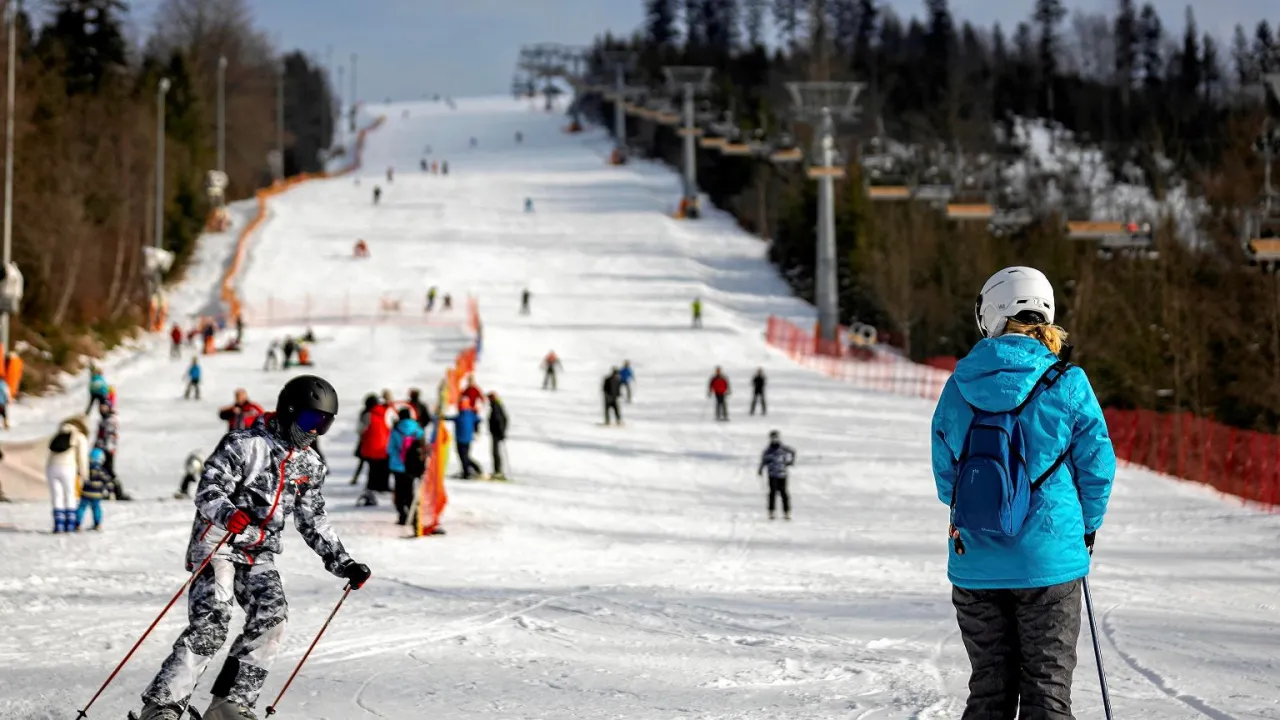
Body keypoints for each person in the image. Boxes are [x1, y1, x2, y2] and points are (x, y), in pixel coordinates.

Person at [931, 266, 1115, 719]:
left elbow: (945, 475)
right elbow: (1097, 467)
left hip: (975, 563)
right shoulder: (1068, 382)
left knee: (989, 693)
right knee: (1047, 693)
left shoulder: (960, 385)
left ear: (990, 315)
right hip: (1049, 562)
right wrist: (1086, 527)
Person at [134, 375, 371, 720]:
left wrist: (344, 562)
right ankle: (163, 705)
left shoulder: (310, 466)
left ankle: (230, 702)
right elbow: (208, 488)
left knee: (272, 617)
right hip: (220, 545)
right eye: (310, 421)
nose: (315, 432)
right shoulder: (244, 444)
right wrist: (228, 514)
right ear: (289, 412)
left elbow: (313, 519)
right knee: (212, 620)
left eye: (325, 423)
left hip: (259, 553)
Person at [46, 416, 90, 533]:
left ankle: (58, 525)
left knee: (57, 496)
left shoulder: (58, 434)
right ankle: (70, 525)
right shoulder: (80, 437)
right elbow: (82, 457)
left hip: (51, 467)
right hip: (68, 467)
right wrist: (85, 475)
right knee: (70, 495)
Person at [387, 408, 425, 525]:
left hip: (398, 466)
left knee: (399, 491)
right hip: (413, 466)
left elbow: (389, 449)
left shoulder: (396, 429)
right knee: (410, 491)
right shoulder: (418, 429)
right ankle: (414, 514)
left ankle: (402, 516)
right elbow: (423, 446)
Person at [356, 393, 395, 505]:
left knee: (373, 468)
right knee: (384, 467)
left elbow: (360, 430)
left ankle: (372, 487)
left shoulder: (367, 415)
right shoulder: (386, 412)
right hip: (385, 446)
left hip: (370, 447)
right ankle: (383, 486)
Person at [758, 430, 796, 520]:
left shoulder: (783, 449)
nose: (774, 439)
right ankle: (771, 511)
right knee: (772, 492)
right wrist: (760, 469)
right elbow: (764, 460)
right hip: (772, 474)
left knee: (783, 493)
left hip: (782, 473)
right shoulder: (768, 450)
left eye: (776, 437)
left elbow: (793, 452)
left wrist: (790, 462)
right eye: (772, 438)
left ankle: (786, 512)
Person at [95, 402, 130, 500]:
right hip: (102, 449)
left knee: (108, 471)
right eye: (101, 407)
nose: (102, 409)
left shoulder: (110, 420)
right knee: (102, 471)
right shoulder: (104, 419)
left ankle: (118, 492)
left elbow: (110, 435)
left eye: (104, 407)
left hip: (107, 450)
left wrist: (106, 448)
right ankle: (105, 491)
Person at [78, 447, 112, 530]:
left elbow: (80, 475)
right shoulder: (102, 471)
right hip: (97, 494)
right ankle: (97, 524)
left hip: (85, 493)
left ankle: (77, 524)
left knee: (81, 508)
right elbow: (108, 482)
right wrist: (110, 491)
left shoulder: (86, 469)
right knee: (96, 508)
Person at [448, 397, 483, 479]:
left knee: (463, 457)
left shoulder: (460, 416)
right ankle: (470, 470)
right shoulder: (471, 415)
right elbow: (478, 419)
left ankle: (468, 472)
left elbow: (450, 418)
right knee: (465, 456)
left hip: (460, 439)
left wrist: (441, 417)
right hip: (468, 439)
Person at [351, 394, 378, 485]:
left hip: (364, 441)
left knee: (362, 462)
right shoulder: (376, 413)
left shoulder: (364, 413)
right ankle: (371, 482)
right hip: (374, 441)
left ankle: (355, 478)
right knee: (372, 463)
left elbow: (360, 429)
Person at [487, 391, 508, 480]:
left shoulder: (496, 406)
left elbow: (499, 420)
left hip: (496, 433)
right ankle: (497, 470)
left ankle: (498, 471)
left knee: (495, 452)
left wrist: (501, 432)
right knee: (495, 452)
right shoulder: (497, 405)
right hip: (496, 433)